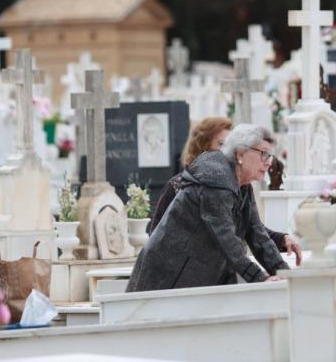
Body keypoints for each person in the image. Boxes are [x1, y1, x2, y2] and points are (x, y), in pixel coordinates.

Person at [127, 124, 291, 292]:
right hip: (168, 280)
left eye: (270, 156)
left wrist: (286, 275)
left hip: (194, 280)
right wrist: (260, 278)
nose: (269, 163)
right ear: (240, 154)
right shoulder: (215, 180)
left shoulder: (242, 185)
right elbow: (227, 239)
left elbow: (257, 234)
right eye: (264, 154)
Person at [147, 117, 302, 265]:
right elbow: (157, 236)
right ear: (202, 146)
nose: (229, 149)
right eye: (222, 144)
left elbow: (251, 228)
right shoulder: (179, 185)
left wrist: (281, 239)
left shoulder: (241, 186)